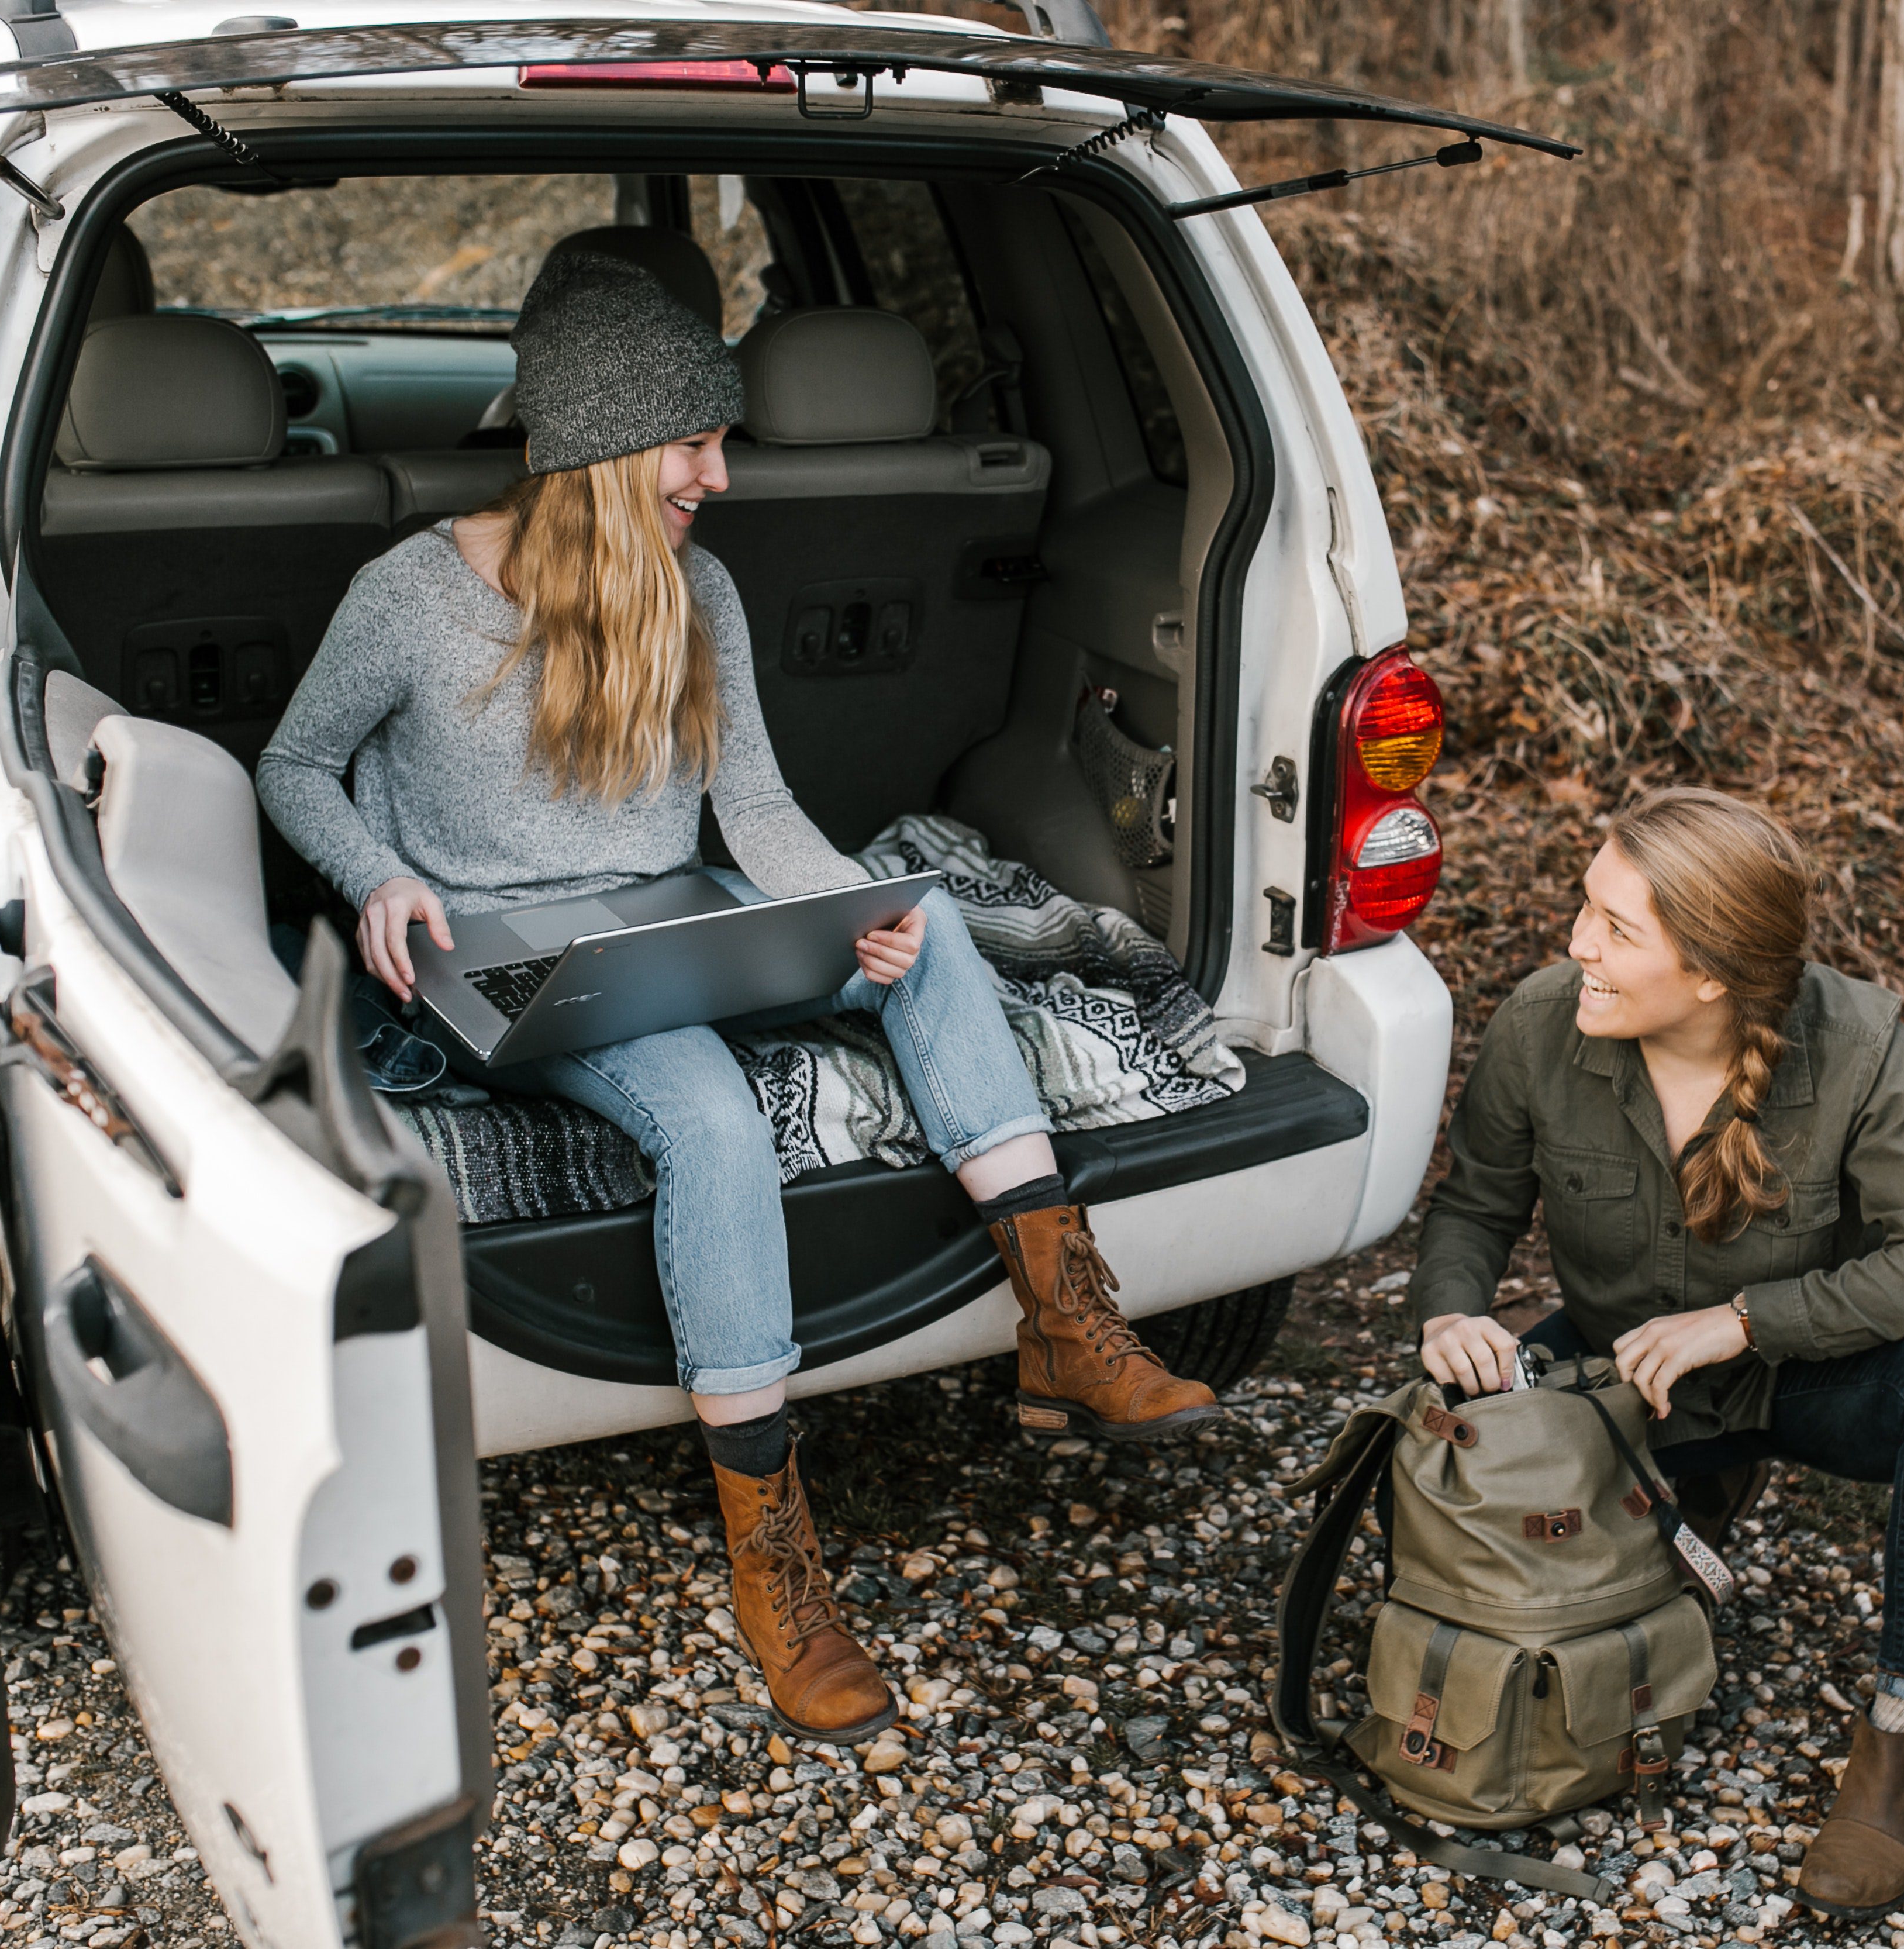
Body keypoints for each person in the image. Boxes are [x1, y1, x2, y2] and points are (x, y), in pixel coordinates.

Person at [258, 251, 1222, 1743]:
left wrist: (852, 909)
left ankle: (1062, 1312)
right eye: (693, 441)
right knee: (709, 1114)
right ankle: (776, 1557)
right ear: (595, 445)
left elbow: (757, 809)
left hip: (670, 916)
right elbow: (292, 766)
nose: (721, 472)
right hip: (503, 956)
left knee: (930, 920)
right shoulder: (410, 595)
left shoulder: (696, 587)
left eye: (721, 439)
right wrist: (381, 878)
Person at [1409, 787, 1904, 1923]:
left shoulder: (1852, 1041)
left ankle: (1902, 1742)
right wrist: (1455, 1314)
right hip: (1624, 1379)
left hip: (1805, 1381)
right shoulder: (1542, 1020)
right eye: (1585, 909)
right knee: (1456, 1422)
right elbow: (1471, 1211)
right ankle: (1687, 1488)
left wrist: (1743, 1321)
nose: (1575, 944)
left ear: (1708, 975)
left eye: (1615, 927)